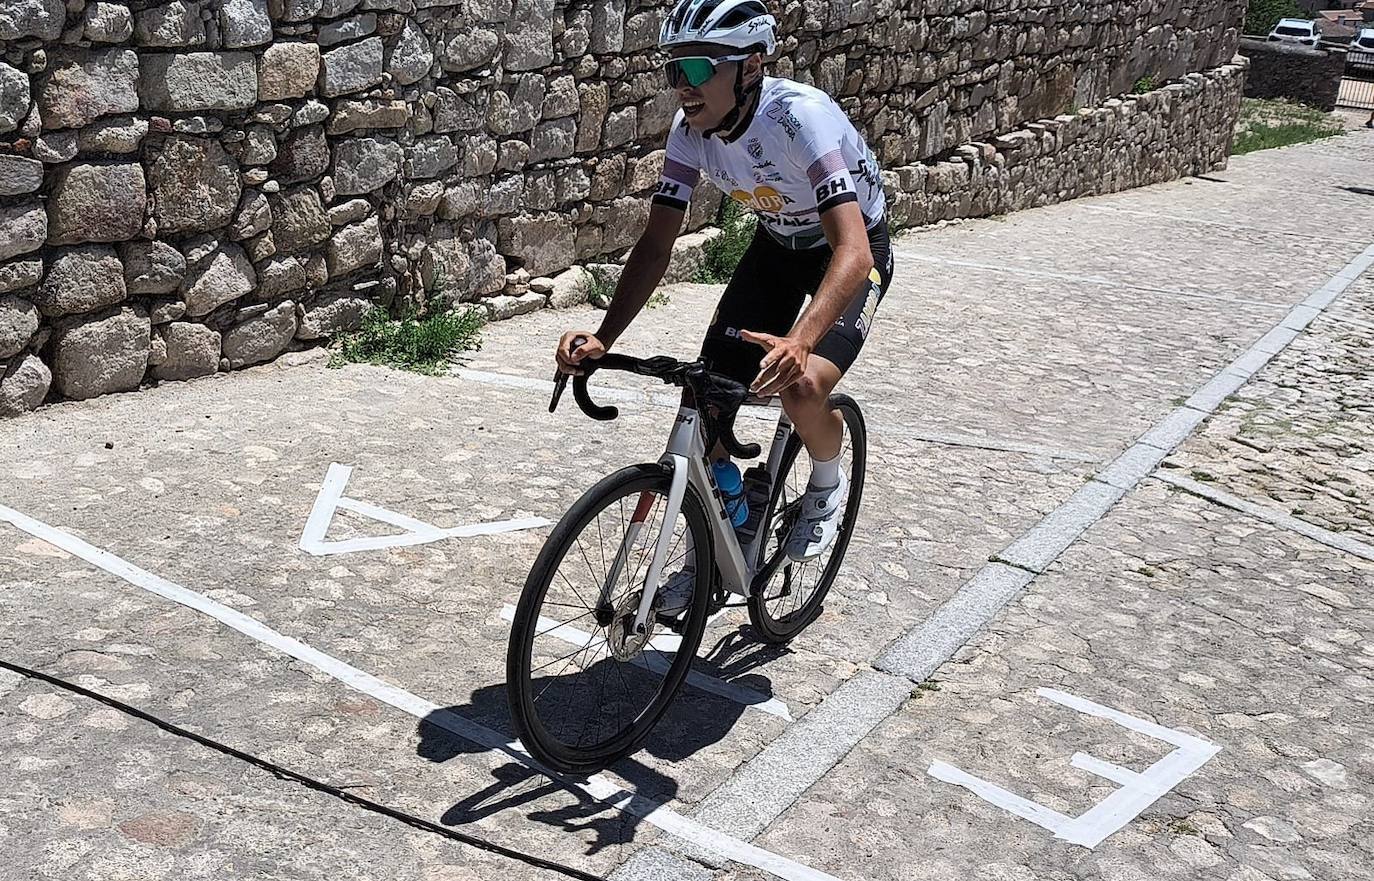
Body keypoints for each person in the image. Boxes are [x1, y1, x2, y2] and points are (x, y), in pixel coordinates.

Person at [554, 0, 894, 614]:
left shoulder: (801, 120)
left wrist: (802, 339)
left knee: (801, 386)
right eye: (672, 71)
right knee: (705, 399)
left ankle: (824, 482)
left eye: (695, 69)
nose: (681, 88)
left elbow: (853, 250)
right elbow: (657, 243)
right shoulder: (688, 137)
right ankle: (718, 544)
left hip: (848, 249)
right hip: (775, 247)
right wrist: (603, 335)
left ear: (749, 66)